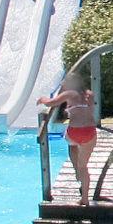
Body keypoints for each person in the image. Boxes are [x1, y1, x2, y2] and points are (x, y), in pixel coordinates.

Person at [37, 80, 100, 210]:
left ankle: (76, 170)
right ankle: (85, 199)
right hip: (90, 132)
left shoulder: (69, 93)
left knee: (71, 144)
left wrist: (42, 99)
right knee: (84, 166)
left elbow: (51, 102)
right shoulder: (90, 94)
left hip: (75, 132)